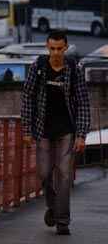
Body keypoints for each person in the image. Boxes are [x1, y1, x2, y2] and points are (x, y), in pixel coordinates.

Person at [21, 30, 90, 235]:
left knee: (65, 175)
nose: (56, 52)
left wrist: (81, 135)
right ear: (47, 47)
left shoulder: (74, 69)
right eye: (52, 48)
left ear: (66, 48)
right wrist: (26, 129)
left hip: (66, 131)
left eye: (60, 48)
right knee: (43, 173)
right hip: (43, 130)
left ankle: (62, 221)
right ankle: (52, 207)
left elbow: (84, 102)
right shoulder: (38, 67)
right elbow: (27, 98)